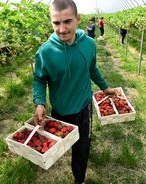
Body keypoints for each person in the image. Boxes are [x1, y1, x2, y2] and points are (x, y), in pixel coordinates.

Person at [32, 0, 118, 183]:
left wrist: (105, 87)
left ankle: (79, 179)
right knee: (63, 143)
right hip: (59, 109)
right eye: (56, 22)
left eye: (67, 21)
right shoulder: (45, 52)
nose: (62, 29)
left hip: (83, 107)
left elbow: (92, 68)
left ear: (78, 19)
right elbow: (40, 78)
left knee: (82, 146)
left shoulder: (88, 44)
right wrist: (39, 102)